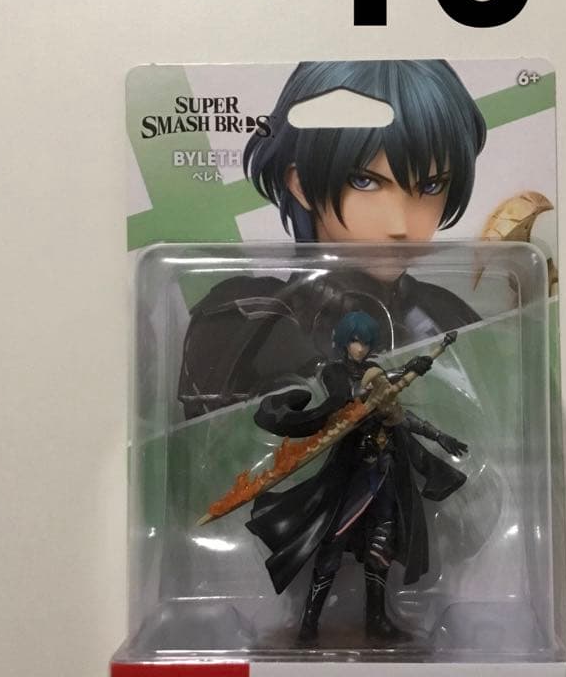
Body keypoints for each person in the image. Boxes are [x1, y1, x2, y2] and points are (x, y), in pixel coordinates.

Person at [178, 60, 487, 418]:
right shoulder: (247, 320)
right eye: (365, 181)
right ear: (301, 184)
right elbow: (212, 446)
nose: (400, 224)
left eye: (430, 186)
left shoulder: (446, 315)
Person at [246, 312, 468, 642]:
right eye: (354, 341)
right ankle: (309, 624)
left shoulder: (377, 374)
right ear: (343, 342)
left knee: (382, 543)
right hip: (352, 474)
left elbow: (398, 415)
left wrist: (438, 435)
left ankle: (377, 620)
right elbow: (352, 398)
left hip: (385, 470)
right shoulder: (335, 373)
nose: (360, 348)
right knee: (332, 542)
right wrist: (402, 372)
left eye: (365, 342)